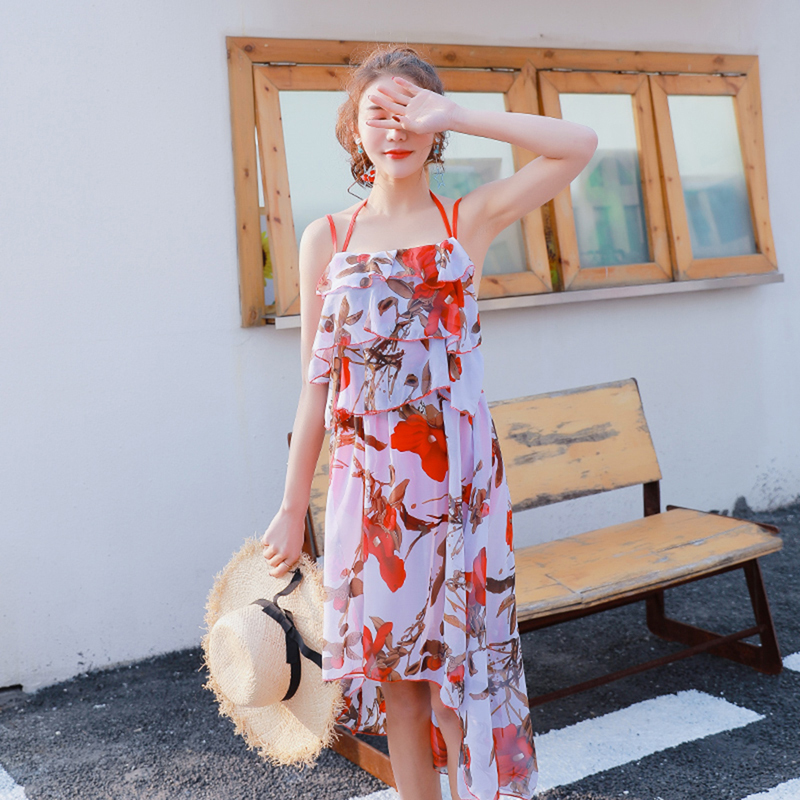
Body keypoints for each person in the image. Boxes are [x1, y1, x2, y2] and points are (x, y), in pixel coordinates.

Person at [261, 45, 597, 800]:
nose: (396, 128)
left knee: (457, 690)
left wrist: (460, 112)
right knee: (402, 697)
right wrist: (289, 508)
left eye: (412, 112)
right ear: (353, 129)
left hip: (461, 493)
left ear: (434, 127)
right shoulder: (327, 238)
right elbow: (314, 389)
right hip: (369, 495)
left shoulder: (465, 219)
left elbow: (579, 145)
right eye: (378, 113)